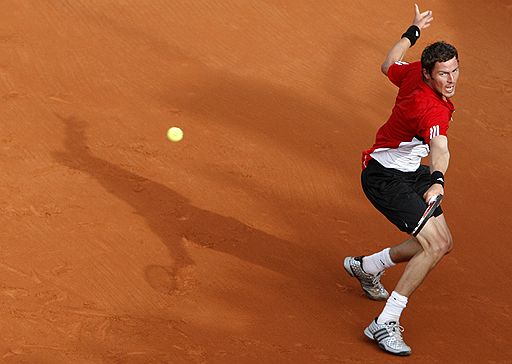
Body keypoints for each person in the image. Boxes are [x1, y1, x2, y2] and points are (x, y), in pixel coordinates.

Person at [343, 4, 459, 356]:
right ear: (428, 75)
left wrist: (413, 31)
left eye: (455, 71)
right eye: (443, 74)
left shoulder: (411, 73)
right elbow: (440, 147)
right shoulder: (431, 108)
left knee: (443, 242)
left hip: (408, 173)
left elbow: (386, 64)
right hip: (385, 178)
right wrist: (438, 179)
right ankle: (385, 321)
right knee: (434, 246)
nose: (451, 80)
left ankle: (368, 266)